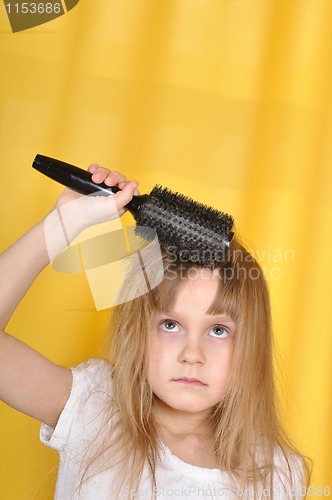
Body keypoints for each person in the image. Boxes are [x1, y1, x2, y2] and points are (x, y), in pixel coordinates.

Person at [0, 164, 310, 499]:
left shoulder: (277, 474)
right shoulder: (95, 409)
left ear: (252, 345)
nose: (193, 355)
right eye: (171, 325)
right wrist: (62, 224)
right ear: (139, 333)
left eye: (218, 330)